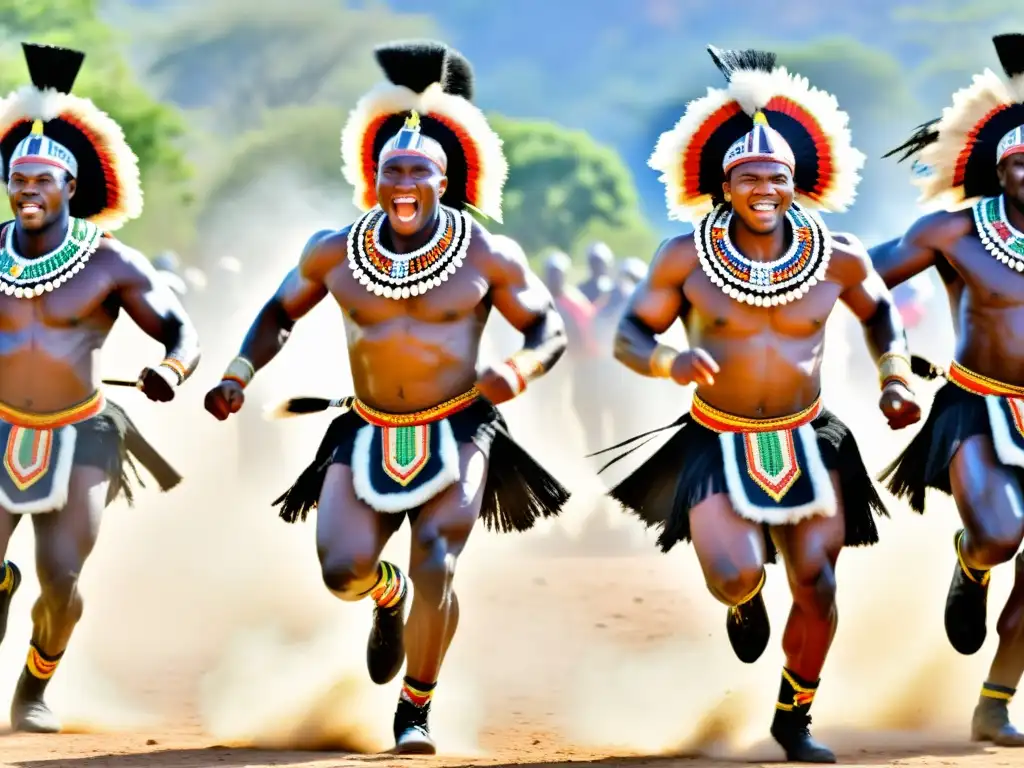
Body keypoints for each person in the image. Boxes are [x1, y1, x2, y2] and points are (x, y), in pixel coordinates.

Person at [202, 41, 569, 755]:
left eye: (418, 172)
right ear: (372, 180)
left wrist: (518, 371)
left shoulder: (488, 254)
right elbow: (280, 312)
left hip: (460, 429)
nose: (403, 183)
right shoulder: (334, 250)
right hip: (364, 430)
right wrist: (238, 373)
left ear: (445, 180)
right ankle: (386, 597)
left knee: (439, 559)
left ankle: (415, 710)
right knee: (342, 571)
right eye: (391, 171)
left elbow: (546, 328)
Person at [595, 46, 920, 762]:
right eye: (749, 177)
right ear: (722, 185)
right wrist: (668, 359)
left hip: (813, 437)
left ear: (799, 183)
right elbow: (627, 332)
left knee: (819, 582)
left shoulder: (838, 254)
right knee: (737, 572)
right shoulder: (683, 255)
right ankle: (743, 601)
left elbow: (880, 315)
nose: (765, 187)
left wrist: (895, 376)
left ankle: (794, 718)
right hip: (716, 437)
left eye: (777, 176)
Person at [0, 43, 197, 732]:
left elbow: (181, 334)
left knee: (62, 578)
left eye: (41, 179)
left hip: (82, 433)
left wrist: (171, 371)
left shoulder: (108, 261)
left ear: (71, 187)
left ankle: (34, 689)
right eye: (16, 178)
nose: (26, 189)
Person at [871, 32, 1024, 747]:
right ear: (1000, 169)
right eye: (1023, 161)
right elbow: (860, 280)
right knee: (1000, 533)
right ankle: (972, 558)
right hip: (976, 406)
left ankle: (995, 703)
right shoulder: (954, 232)